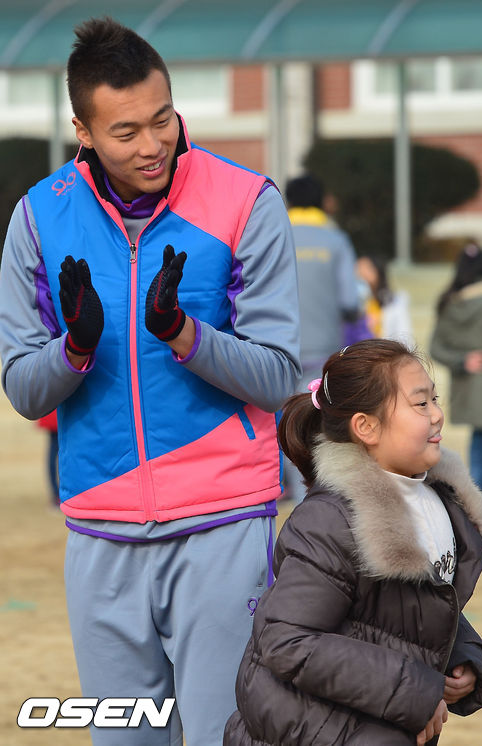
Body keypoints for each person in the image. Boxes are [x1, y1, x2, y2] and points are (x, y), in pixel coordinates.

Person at [0, 17, 301, 746]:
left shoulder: (246, 200)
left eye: (162, 119)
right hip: (99, 533)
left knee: (224, 737)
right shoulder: (38, 218)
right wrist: (74, 347)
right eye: (126, 131)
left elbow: (278, 377)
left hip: (224, 525)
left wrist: (184, 334)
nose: (152, 144)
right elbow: (22, 389)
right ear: (83, 131)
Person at [225, 339, 482, 746]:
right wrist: (417, 691)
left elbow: (418, 608)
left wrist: (464, 657)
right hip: (304, 729)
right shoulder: (330, 520)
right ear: (366, 427)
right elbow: (287, 640)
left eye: (435, 400)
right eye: (420, 404)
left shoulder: (439, 503)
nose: (438, 414)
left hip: (375, 721)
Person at [284, 173, 359, 502]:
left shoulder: (274, 234)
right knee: (319, 422)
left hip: (278, 347)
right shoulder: (336, 240)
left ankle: (294, 492)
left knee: (286, 421)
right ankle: (320, 498)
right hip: (324, 348)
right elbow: (350, 301)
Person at [430, 242, 482, 524]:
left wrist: (462, 360)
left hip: (470, 393)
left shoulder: (451, 304)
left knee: (481, 455)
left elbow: (436, 348)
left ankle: (477, 516)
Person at [355, 254, 413, 345]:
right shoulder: (353, 303)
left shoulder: (394, 302)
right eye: (358, 268)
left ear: (378, 271)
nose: (361, 273)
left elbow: (405, 336)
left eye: (367, 268)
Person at [36, 409, 59, 506]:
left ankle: (56, 494)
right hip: (62, 413)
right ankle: (57, 494)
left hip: (51, 411)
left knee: (53, 452)